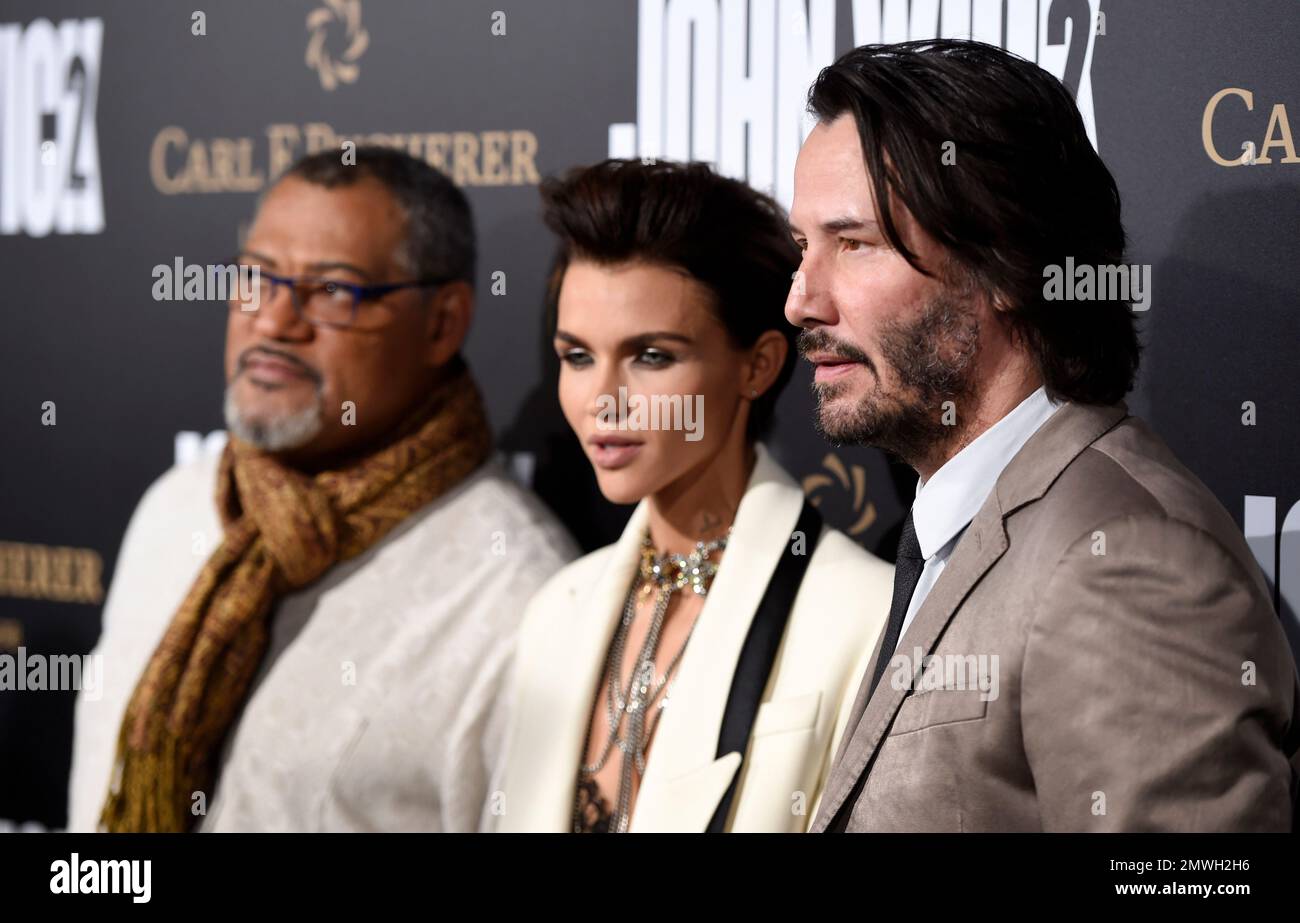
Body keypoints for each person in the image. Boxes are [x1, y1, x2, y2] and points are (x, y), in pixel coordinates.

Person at [784, 40, 1300, 832]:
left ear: (1006, 267)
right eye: (802, 250)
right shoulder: (959, 525)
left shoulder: (1128, 557)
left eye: (853, 245)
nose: (800, 301)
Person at [68, 147, 578, 832]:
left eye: (335, 290)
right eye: (257, 278)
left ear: (442, 322)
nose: (274, 322)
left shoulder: (519, 597)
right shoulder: (177, 504)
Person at [494, 159, 892, 833]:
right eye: (577, 356)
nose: (602, 401)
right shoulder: (555, 611)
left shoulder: (864, 613)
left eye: (651, 356)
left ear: (759, 364)